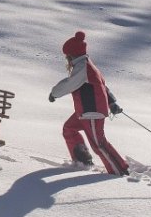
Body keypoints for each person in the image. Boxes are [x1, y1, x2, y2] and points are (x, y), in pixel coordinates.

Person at [47, 31, 129, 175]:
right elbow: (103, 86)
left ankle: (119, 170)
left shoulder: (82, 67)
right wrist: (112, 103)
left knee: (99, 144)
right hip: (85, 111)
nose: (67, 59)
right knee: (69, 129)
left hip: (92, 112)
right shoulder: (88, 65)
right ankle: (82, 160)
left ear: (72, 54)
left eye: (68, 55)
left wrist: (54, 93)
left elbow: (70, 84)